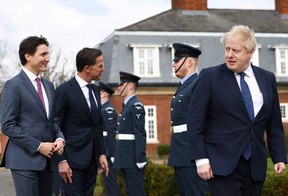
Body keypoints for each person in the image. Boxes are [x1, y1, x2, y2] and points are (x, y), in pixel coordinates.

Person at [187, 25, 287, 196]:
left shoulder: (267, 78)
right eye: (227, 49)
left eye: (236, 50)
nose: (229, 55)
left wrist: (279, 156)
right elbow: (195, 121)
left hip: (255, 164)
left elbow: (274, 123)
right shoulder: (209, 77)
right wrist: (201, 160)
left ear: (251, 52)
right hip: (221, 164)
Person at [0, 35, 65, 196]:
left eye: (48, 54)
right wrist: (38, 146)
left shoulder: (49, 86)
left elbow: (53, 121)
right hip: (24, 161)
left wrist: (60, 138)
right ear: (28, 56)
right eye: (43, 54)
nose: (48, 59)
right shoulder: (13, 85)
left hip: (48, 162)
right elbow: (7, 125)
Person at [53, 47, 109, 196]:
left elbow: (97, 125)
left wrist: (101, 153)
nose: (103, 69)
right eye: (100, 66)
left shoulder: (95, 91)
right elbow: (55, 126)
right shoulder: (64, 91)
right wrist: (61, 160)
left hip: (92, 160)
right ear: (87, 69)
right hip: (71, 161)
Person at [168, 43, 208, 196]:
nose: (173, 64)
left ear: (189, 62)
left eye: (177, 60)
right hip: (181, 154)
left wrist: (201, 157)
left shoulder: (198, 84)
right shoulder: (184, 86)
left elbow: (202, 122)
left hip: (192, 154)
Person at [113, 71, 147, 196]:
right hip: (124, 157)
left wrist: (140, 157)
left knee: (136, 191)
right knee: (129, 191)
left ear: (131, 86)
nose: (119, 87)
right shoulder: (127, 105)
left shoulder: (135, 106)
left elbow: (140, 133)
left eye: (122, 84)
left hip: (132, 158)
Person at [98, 81, 121, 196]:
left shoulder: (108, 110)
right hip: (104, 152)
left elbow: (112, 134)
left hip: (108, 153)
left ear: (103, 94)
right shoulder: (102, 109)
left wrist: (112, 155)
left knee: (111, 182)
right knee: (108, 183)